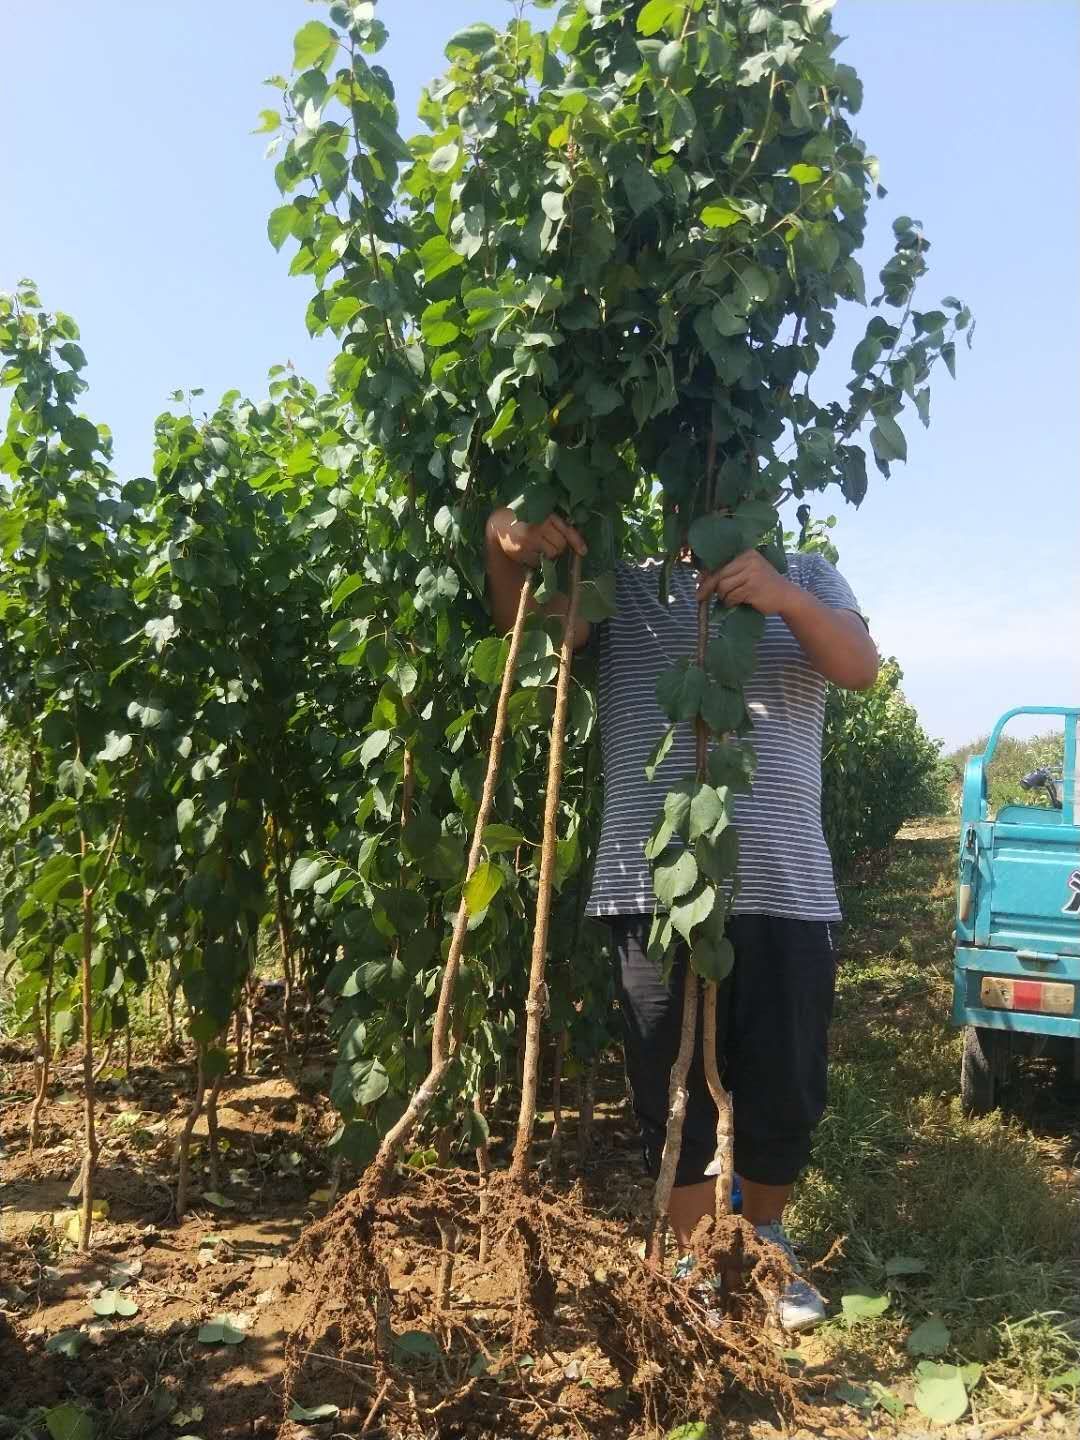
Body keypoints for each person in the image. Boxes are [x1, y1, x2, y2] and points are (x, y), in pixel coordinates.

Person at [485, 506, 879, 1330]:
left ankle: (765, 1245)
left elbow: (858, 666)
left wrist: (782, 598)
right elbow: (528, 627)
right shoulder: (622, 582)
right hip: (649, 882)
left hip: (785, 886)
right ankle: (704, 1261)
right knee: (670, 1092)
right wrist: (504, 547)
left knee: (784, 1087)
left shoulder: (805, 574)